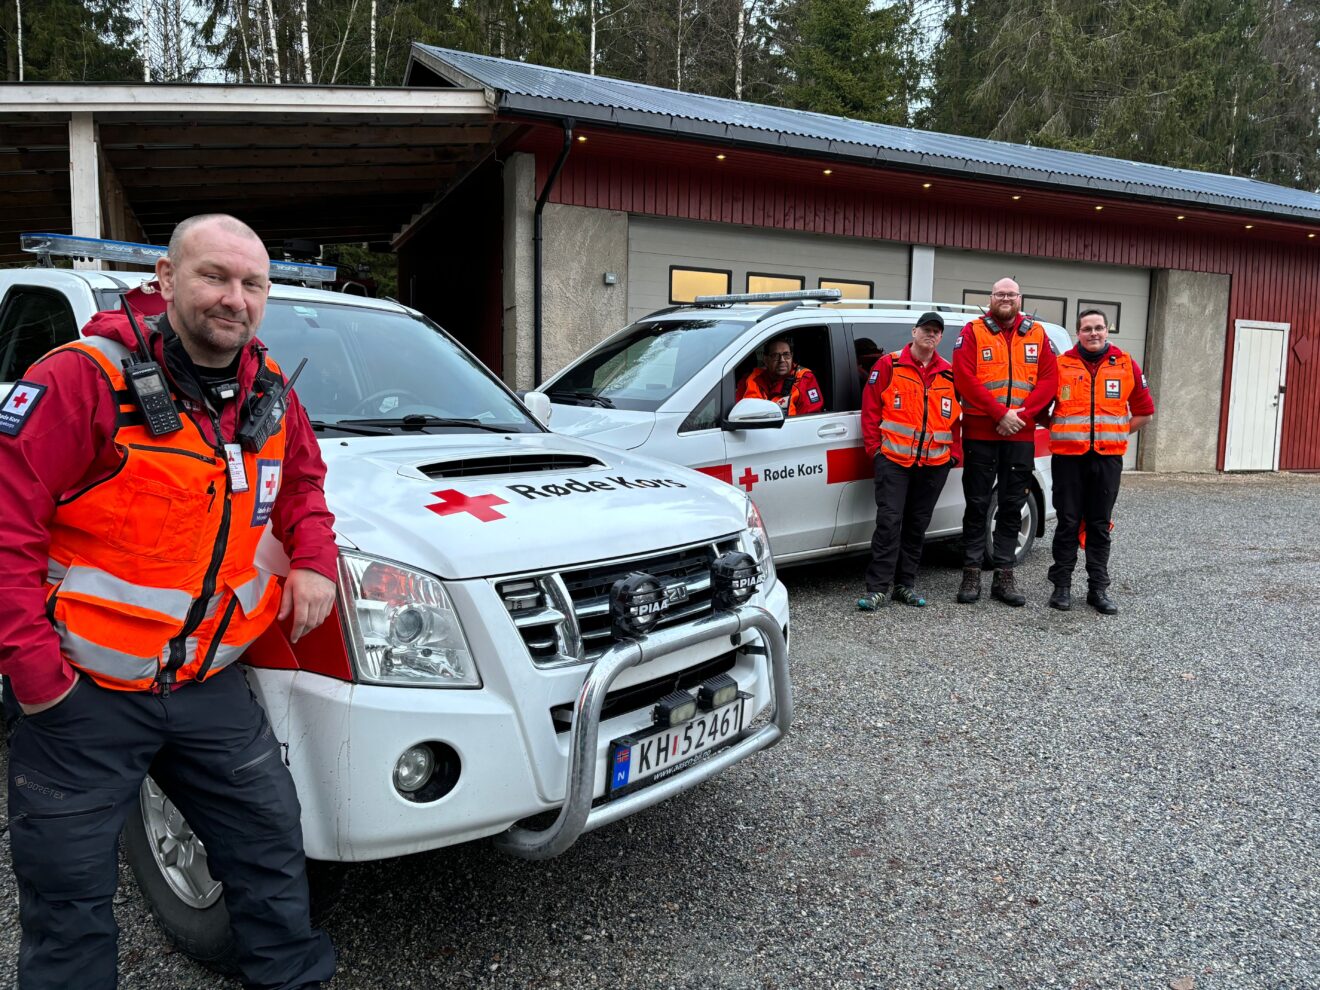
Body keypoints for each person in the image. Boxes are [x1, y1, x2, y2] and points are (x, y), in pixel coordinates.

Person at [0, 214, 338, 990]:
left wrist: (314, 558)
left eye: (252, 283)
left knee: (270, 860)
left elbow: (306, 488)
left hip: (208, 688)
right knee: (68, 900)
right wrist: (38, 678)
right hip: (82, 697)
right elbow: (6, 530)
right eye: (213, 276)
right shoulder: (81, 379)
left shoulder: (269, 390)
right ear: (165, 283)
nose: (235, 298)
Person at [952, 277, 1059, 606]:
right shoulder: (973, 331)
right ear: (991, 298)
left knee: (1012, 505)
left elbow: (1050, 378)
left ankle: (1004, 574)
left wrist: (1020, 417)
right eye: (1000, 294)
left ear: (1020, 298)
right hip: (981, 432)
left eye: (1011, 294)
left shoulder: (1038, 334)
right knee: (978, 504)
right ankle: (971, 572)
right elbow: (964, 376)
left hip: (1021, 433)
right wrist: (1000, 413)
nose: (1006, 299)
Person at [1046, 309, 1155, 614]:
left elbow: (1145, 411)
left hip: (1107, 459)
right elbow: (1040, 406)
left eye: (1098, 328)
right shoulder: (1060, 365)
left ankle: (1098, 589)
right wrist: (1057, 428)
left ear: (1107, 331)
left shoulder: (1125, 364)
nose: (1093, 333)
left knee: (1098, 524)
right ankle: (1062, 587)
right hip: (1069, 459)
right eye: (1086, 329)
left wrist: (1117, 432)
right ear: (1077, 333)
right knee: (1067, 522)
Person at [856, 313, 960, 609]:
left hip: (934, 464)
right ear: (914, 332)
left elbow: (955, 419)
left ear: (940, 338)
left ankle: (905, 585)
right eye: (926, 329)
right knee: (889, 523)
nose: (931, 334)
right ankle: (877, 588)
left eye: (936, 332)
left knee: (917, 526)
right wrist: (875, 450)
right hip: (894, 460)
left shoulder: (949, 373)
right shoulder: (890, 365)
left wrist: (954, 454)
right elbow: (871, 409)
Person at [735, 334, 825, 415]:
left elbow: (810, 420)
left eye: (786, 354)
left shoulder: (804, 379)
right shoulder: (751, 379)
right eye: (775, 355)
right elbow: (737, 414)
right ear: (766, 360)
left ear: (792, 356)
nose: (782, 360)